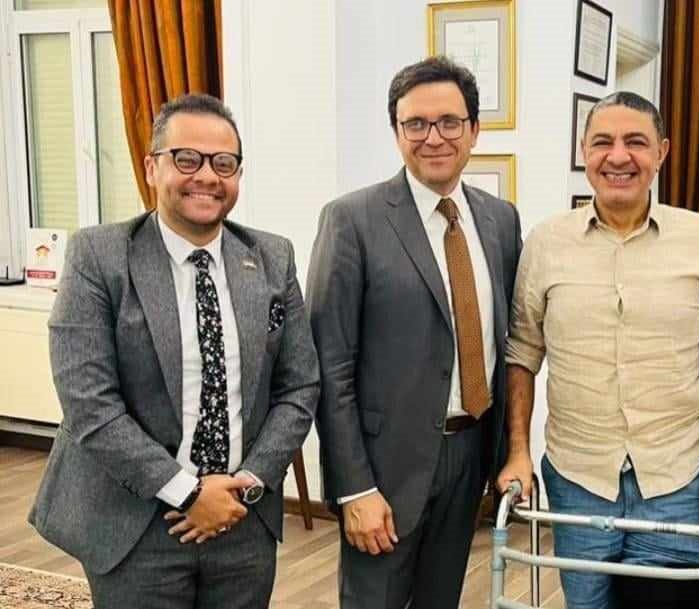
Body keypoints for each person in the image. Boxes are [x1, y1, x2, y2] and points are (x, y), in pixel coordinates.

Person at [29, 93, 321, 609]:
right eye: (187, 159)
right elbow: (89, 403)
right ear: (151, 167)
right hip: (136, 521)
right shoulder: (99, 256)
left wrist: (248, 483)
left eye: (223, 163)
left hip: (241, 519)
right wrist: (187, 491)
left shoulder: (272, 257)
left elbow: (300, 386)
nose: (207, 176)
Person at [496, 92, 699, 609]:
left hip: (680, 477)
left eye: (635, 142)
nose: (619, 156)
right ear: (584, 152)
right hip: (578, 477)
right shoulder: (546, 243)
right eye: (603, 142)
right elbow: (521, 355)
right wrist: (518, 452)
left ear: (662, 152)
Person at [307, 56, 522, 609]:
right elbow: (329, 365)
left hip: (470, 454)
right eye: (416, 124)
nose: (434, 137)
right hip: (384, 468)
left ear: (474, 130)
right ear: (397, 132)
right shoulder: (351, 220)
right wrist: (354, 487)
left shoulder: (500, 221)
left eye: (449, 122)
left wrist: (507, 452)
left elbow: (506, 344)